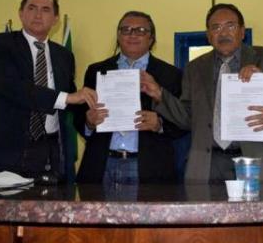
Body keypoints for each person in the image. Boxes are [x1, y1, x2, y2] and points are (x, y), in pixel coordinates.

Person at [141, 3, 263, 183]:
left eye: (230, 26)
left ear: (242, 32)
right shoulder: (194, 68)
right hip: (207, 164)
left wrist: (262, 82)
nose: (223, 32)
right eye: (216, 27)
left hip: (254, 160)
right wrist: (159, 94)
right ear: (208, 35)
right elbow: (188, 119)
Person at [0, 0, 97, 183]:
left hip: (49, 151)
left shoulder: (64, 56)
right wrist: (66, 98)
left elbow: (70, 100)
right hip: (6, 149)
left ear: (55, 20)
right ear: (21, 13)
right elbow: (12, 87)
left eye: (46, 9)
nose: (38, 14)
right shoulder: (1, 44)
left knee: (48, 210)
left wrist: (88, 120)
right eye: (32, 8)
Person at [73, 11, 183, 185]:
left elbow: (183, 122)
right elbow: (79, 118)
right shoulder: (96, 70)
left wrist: (160, 124)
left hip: (150, 167)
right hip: (101, 165)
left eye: (140, 30)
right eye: (126, 30)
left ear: (151, 38)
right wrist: (88, 122)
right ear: (118, 36)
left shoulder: (171, 74)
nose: (132, 35)